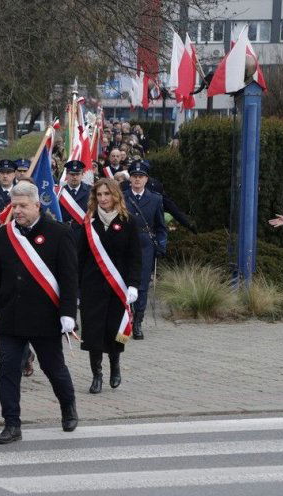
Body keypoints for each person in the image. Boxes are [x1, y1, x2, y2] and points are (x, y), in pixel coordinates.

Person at [0, 181, 79, 444]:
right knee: (7, 369)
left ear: (37, 205)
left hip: (45, 316)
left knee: (53, 367)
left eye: (23, 206)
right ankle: (12, 424)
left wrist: (68, 313)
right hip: (11, 315)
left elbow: (69, 278)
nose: (18, 211)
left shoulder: (59, 232)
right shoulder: (5, 234)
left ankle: (68, 407)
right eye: (14, 206)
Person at [77, 179, 141, 394]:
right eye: (99, 195)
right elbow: (79, 257)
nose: (103, 198)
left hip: (118, 286)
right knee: (93, 332)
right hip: (92, 286)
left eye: (107, 194)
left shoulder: (128, 221)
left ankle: (115, 366)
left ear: (115, 195)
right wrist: (76, 289)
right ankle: (97, 375)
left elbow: (135, 257)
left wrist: (133, 284)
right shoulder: (88, 222)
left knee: (114, 330)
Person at [123, 161, 167, 340]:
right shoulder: (122, 197)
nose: (137, 180)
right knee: (124, 282)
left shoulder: (156, 199)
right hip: (124, 244)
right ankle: (126, 320)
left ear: (147, 179)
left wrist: (161, 245)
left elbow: (161, 227)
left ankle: (138, 322)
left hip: (145, 244)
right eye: (134, 176)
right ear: (130, 178)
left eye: (141, 177)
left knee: (141, 285)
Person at [60, 160, 91, 238]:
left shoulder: (90, 191)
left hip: (83, 233)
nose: (75, 177)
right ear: (67, 175)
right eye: (72, 174)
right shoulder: (59, 191)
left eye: (77, 174)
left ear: (82, 175)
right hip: (64, 232)